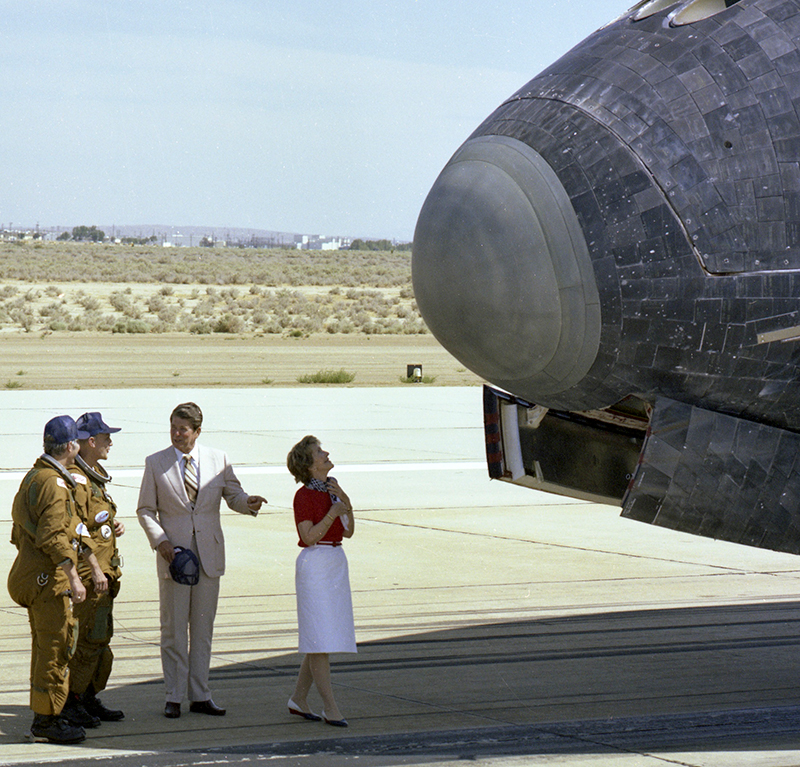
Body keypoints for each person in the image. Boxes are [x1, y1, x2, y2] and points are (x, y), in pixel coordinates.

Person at [136, 402, 267, 719]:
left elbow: (233, 495)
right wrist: (161, 541)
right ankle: (173, 695)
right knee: (174, 631)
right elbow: (145, 510)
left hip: (208, 556)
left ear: (197, 431)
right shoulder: (156, 463)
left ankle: (200, 694)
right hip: (175, 558)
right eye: (173, 427)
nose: (176, 434)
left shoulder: (218, 460)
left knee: (203, 630)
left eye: (183, 429)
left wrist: (247, 503)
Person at [7, 415, 90, 744]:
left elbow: (18, 532)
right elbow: (54, 536)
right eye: (77, 442)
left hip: (29, 575)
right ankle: (47, 721)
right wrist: (74, 578)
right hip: (49, 580)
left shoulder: (33, 477)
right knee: (57, 646)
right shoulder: (55, 485)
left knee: (44, 648)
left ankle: (47, 711)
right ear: (71, 446)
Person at [286, 436, 356, 727]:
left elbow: (349, 531)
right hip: (314, 565)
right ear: (309, 464)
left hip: (335, 563)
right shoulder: (303, 496)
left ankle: (298, 699)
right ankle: (330, 707)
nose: (326, 453)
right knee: (319, 638)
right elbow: (308, 536)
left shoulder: (332, 488)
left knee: (321, 639)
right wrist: (333, 512)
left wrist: (345, 501)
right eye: (319, 452)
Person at [62, 412, 126, 727]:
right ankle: (71, 702)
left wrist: (112, 526)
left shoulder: (94, 474)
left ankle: (86, 697)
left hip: (103, 573)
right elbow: (75, 529)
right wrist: (94, 570)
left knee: (99, 640)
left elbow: (94, 520)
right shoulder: (76, 478)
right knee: (86, 642)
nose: (109, 442)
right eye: (105, 437)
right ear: (91, 441)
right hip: (91, 575)